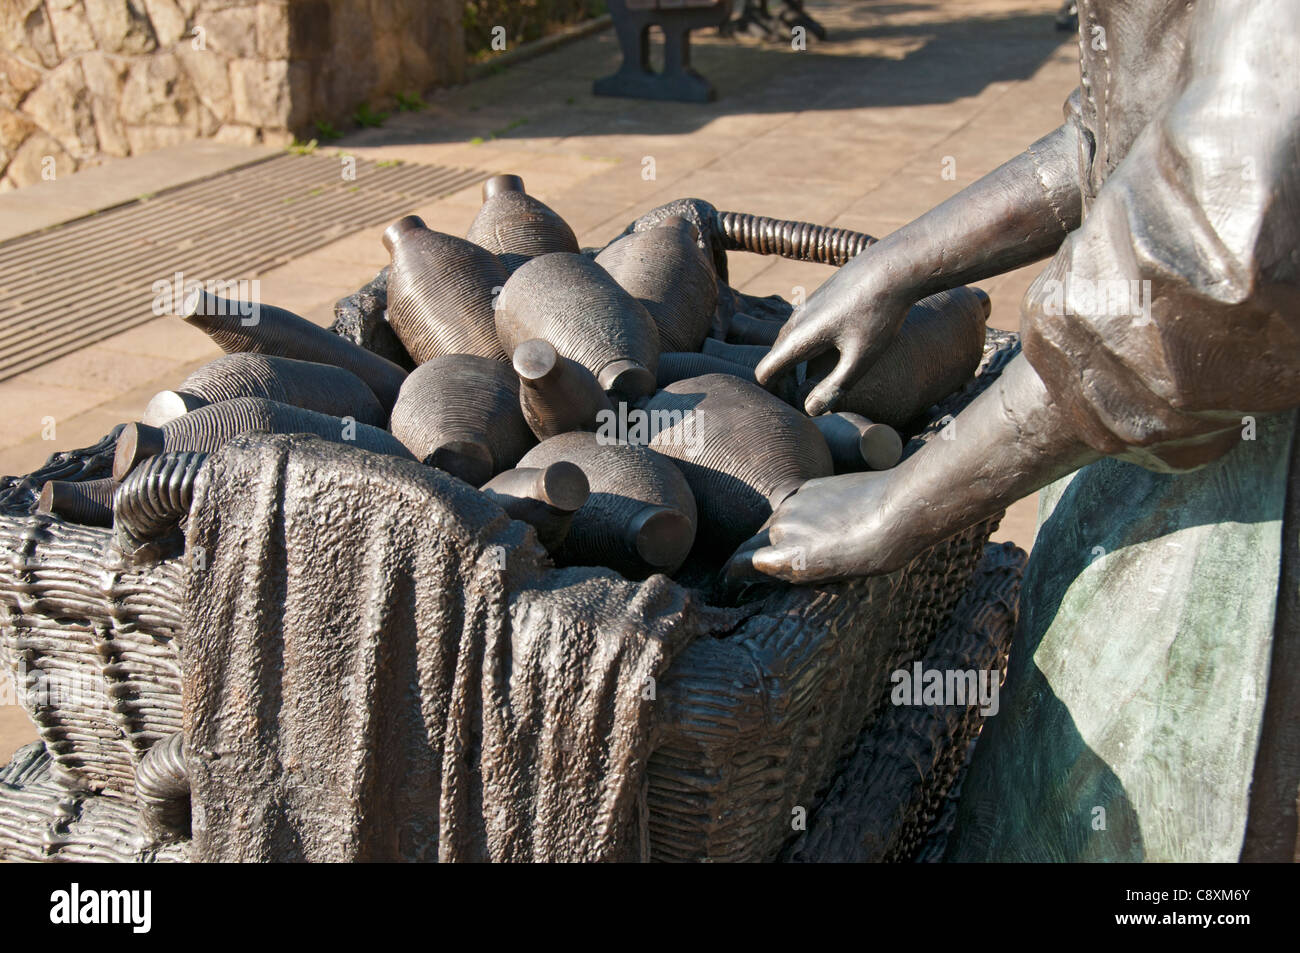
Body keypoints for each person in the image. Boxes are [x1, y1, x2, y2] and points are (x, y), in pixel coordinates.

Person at [728, 0, 1300, 861]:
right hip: (1145, 427)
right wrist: (902, 264)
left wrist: (903, 500)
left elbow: (1214, 255)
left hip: (1252, 501)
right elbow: (1118, 133)